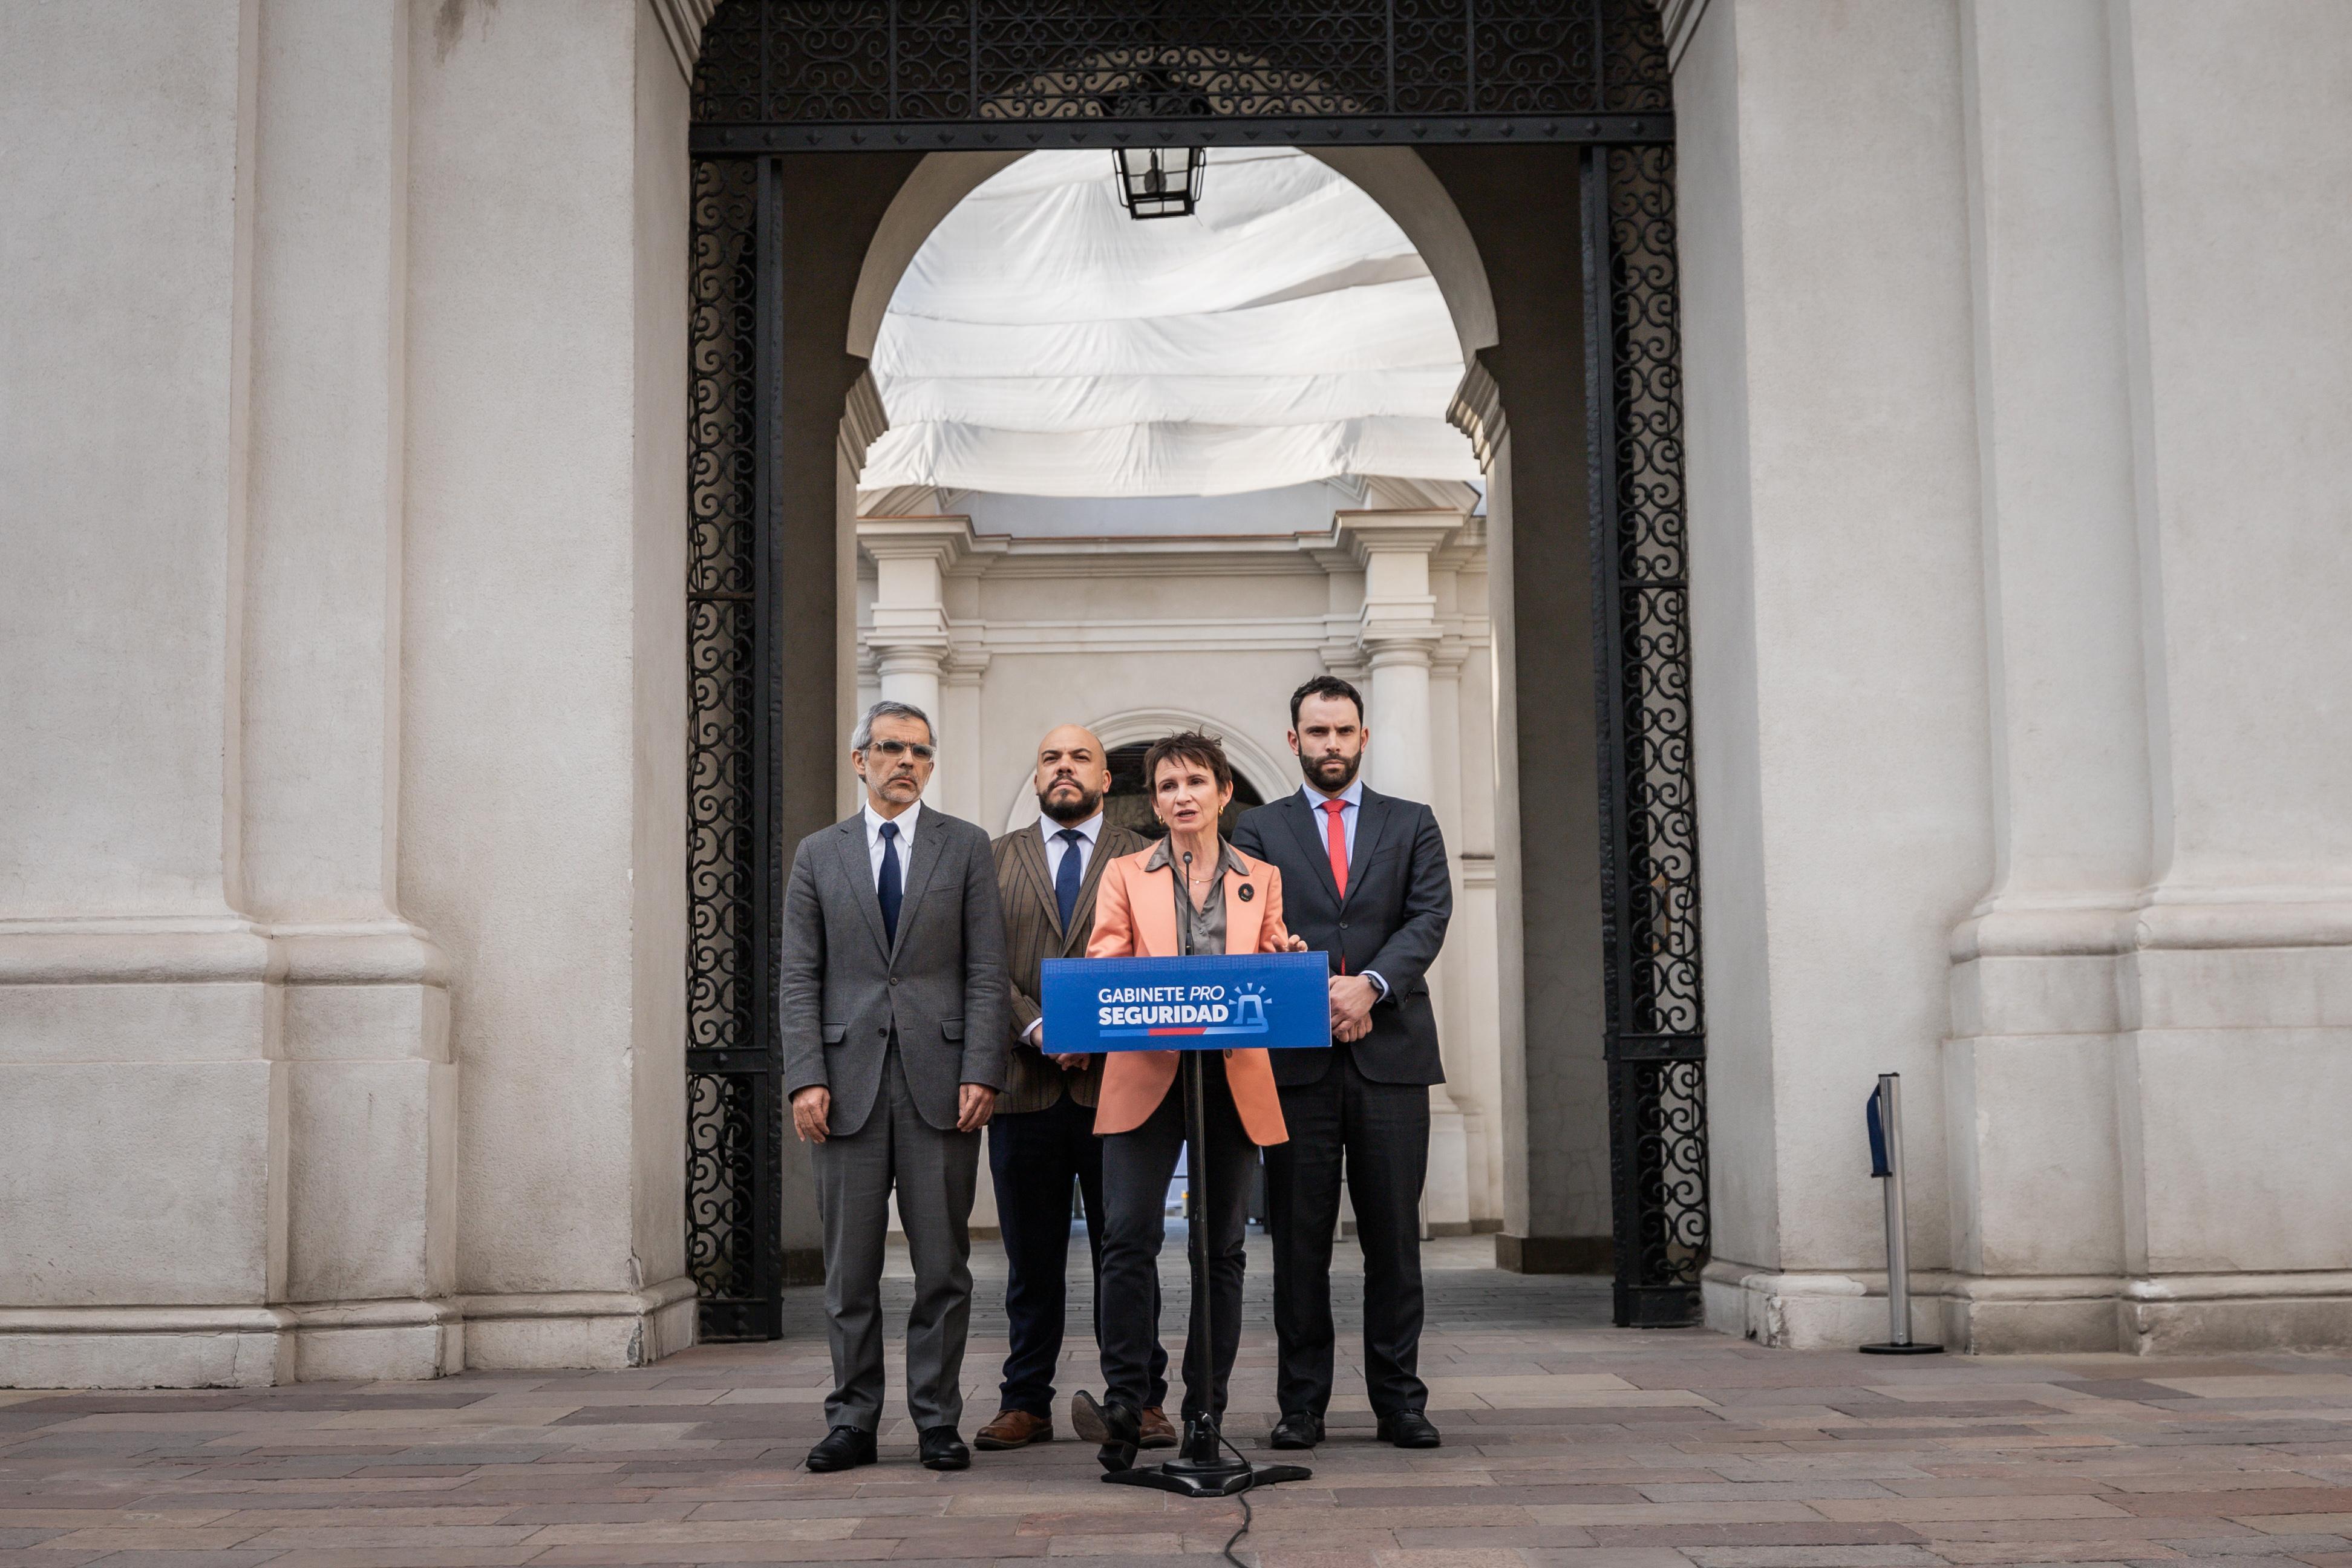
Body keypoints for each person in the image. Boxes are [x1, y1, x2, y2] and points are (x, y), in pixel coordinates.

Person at [779, 699, 1009, 1474]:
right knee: (850, 1273)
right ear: (861, 760)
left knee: (943, 1267)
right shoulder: (818, 854)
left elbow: (987, 970)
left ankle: (937, 1422)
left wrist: (982, 1068)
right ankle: (852, 1421)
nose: (906, 761)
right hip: (843, 1089)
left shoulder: (965, 847)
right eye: (890, 748)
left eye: (919, 751)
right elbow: (799, 976)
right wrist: (806, 1077)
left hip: (941, 1085)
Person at [1071, 730, 1309, 1474]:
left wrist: (1286, 960)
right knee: (1126, 1238)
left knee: (1222, 1249)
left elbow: (1270, 955)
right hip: (1146, 1075)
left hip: (1230, 1078)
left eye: (1195, 783)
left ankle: (1207, 1410)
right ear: (1154, 801)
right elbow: (1104, 965)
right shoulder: (1124, 875)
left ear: (1223, 793)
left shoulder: (1262, 877)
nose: (1182, 797)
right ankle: (1125, 1405)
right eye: (1168, 786)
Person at [1232, 675, 1451, 1451]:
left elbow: (1428, 917)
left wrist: (1371, 987)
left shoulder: (1412, 822)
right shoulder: (1258, 828)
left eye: (1343, 731)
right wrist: (1326, 991)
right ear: (1295, 740)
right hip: (1298, 1062)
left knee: (1395, 1242)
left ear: (1364, 736)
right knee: (1299, 1244)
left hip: (1393, 1057)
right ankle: (1302, 1407)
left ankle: (1401, 1403)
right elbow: (1257, 925)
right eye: (1317, 732)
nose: (1331, 744)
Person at [976, 725, 1175, 1453]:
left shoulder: (1145, 857)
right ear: (1037, 778)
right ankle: (1025, 1402)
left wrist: (1095, 1030)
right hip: (1024, 1087)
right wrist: (1037, 1028)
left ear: (1105, 777)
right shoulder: (994, 859)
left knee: (1128, 1253)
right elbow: (981, 963)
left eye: (1080, 758)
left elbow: (1158, 957)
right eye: (1051, 759)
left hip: (1118, 1086)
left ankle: (1142, 1400)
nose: (1065, 768)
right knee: (1030, 1261)